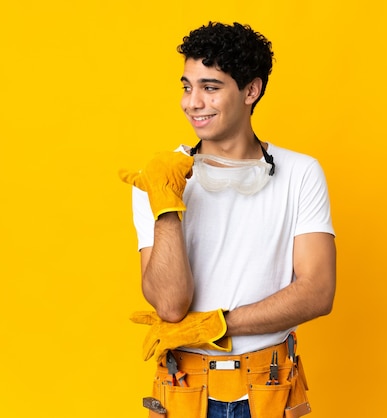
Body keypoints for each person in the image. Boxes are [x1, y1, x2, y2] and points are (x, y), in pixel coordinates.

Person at [120, 21, 336, 418]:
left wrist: (215, 325)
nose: (193, 102)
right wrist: (167, 202)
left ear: (250, 91)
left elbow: (318, 291)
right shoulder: (158, 177)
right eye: (187, 87)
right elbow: (170, 306)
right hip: (184, 389)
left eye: (210, 87)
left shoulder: (300, 173)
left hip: (269, 387)